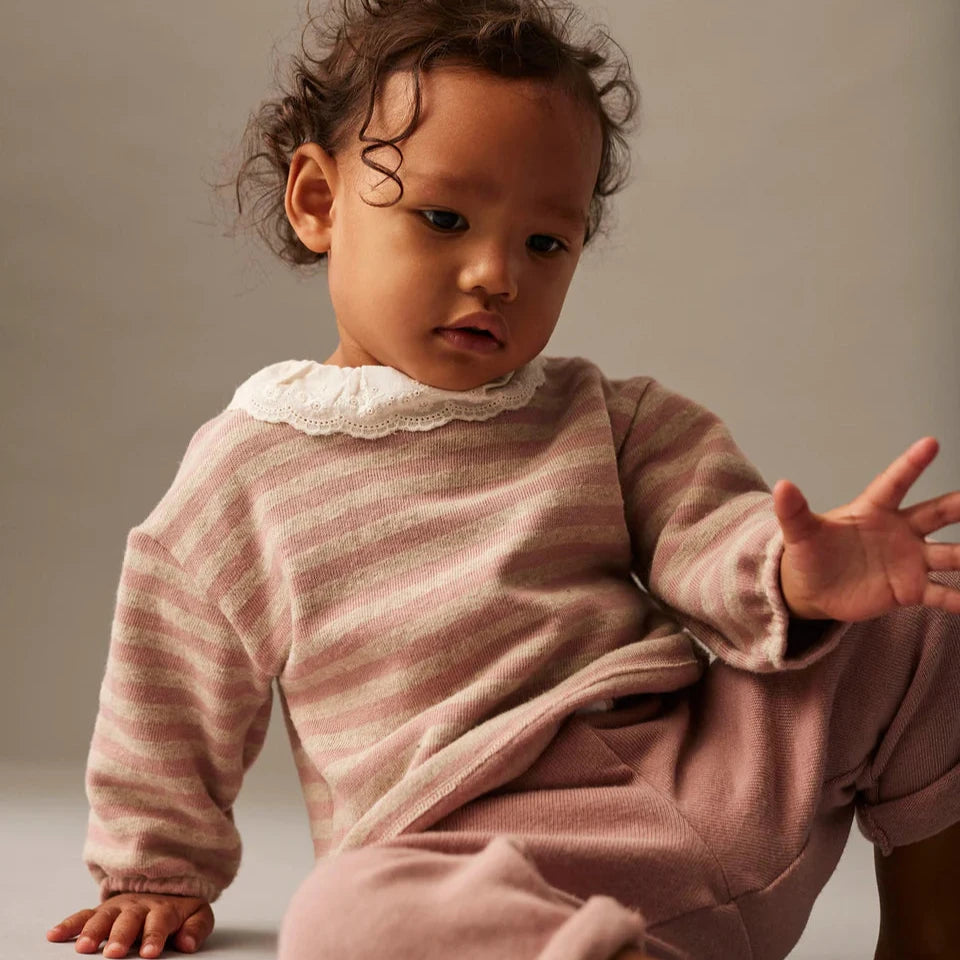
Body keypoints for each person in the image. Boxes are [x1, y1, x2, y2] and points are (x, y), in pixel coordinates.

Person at [46, 1, 960, 958]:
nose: (497, 274)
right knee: (342, 920)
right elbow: (170, 672)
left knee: (916, 614)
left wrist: (791, 579)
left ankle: (931, 933)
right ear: (318, 202)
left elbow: (713, 533)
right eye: (444, 219)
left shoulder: (606, 418)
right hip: (484, 855)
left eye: (544, 243)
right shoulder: (245, 474)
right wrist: (154, 869)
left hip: (709, 779)